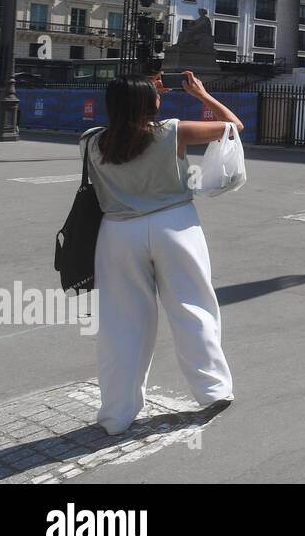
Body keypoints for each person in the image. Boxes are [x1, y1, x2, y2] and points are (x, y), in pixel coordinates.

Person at [81, 72, 242, 435]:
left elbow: (125, 128)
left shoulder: (90, 142)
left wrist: (141, 93)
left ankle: (116, 414)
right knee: (192, 307)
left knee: (121, 323)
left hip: (119, 233)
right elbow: (234, 126)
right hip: (175, 227)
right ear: (149, 102)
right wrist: (201, 94)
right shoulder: (172, 132)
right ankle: (212, 389)